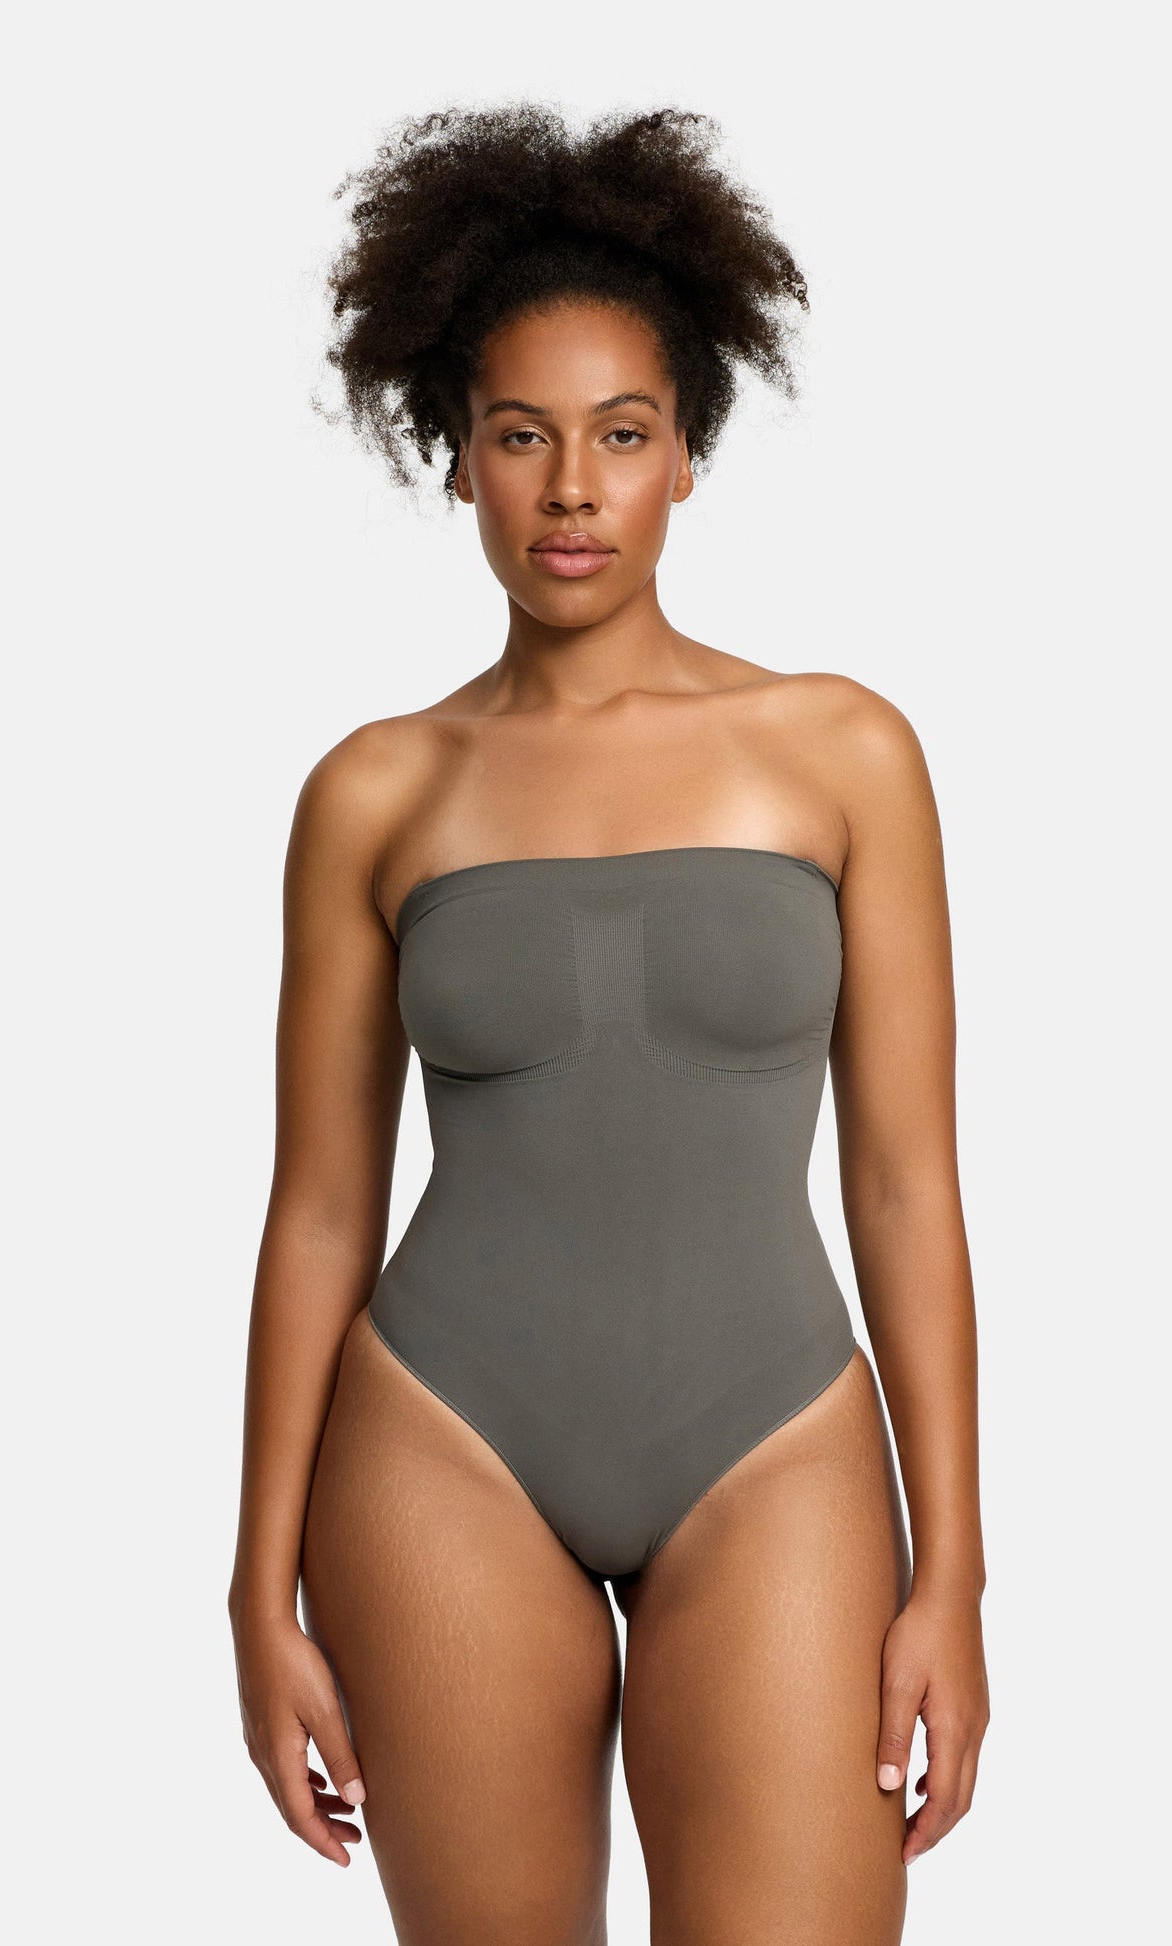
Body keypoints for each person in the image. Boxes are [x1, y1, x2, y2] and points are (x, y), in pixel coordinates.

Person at [227, 103, 989, 1944]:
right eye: (521, 435)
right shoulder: (375, 790)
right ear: (456, 459)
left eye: (621, 434)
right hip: (440, 1446)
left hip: (775, 1437)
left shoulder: (842, 752)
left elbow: (905, 1183)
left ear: (687, 456)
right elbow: (318, 1208)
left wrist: (953, 1573)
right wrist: (253, 1591)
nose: (571, 488)